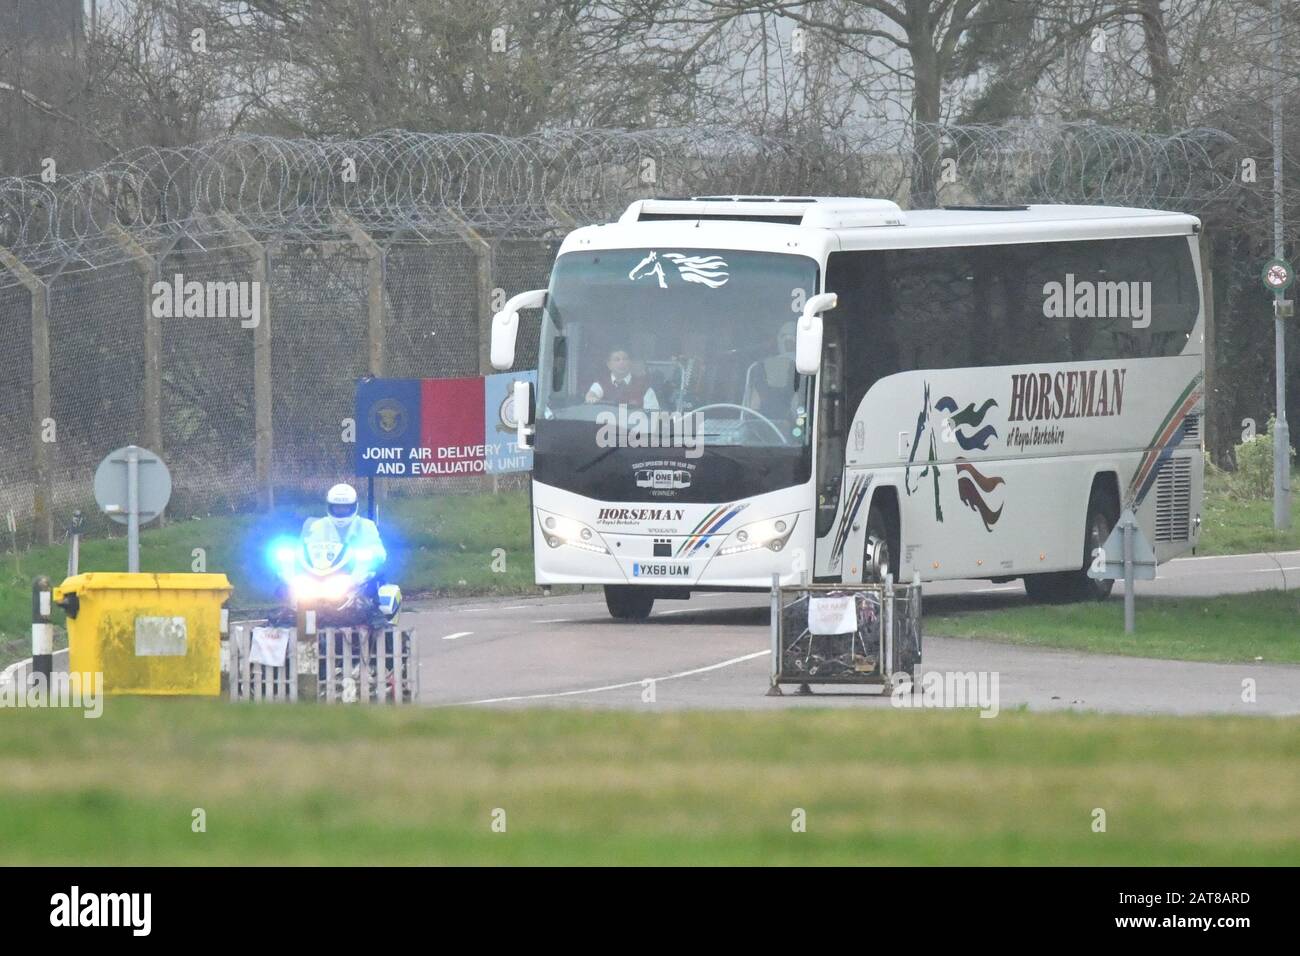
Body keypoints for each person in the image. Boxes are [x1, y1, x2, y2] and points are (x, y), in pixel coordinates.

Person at [746, 321, 799, 416]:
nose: (788, 340)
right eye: (783, 336)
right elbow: (750, 409)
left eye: (794, 335)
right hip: (765, 426)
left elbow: (799, 411)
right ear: (777, 339)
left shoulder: (810, 369)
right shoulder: (757, 367)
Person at [584, 348, 660, 409]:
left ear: (630, 362)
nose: (622, 362)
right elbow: (591, 395)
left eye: (625, 359)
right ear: (609, 364)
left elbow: (653, 416)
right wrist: (591, 398)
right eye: (617, 360)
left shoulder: (644, 387)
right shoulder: (601, 383)